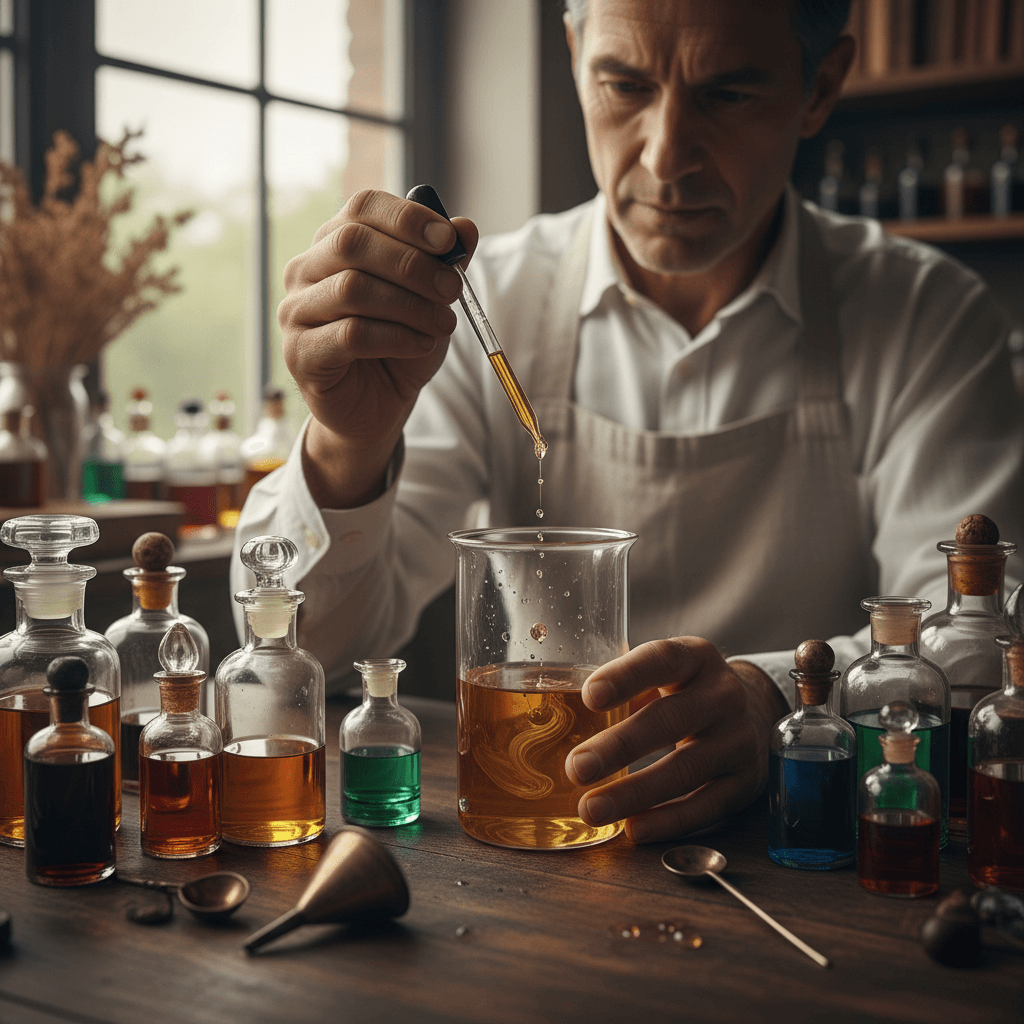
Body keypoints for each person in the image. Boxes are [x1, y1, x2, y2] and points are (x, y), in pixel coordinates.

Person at [235, 0, 1024, 843]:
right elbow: (300, 647)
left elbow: (986, 641)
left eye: (728, 94)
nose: (664, 156)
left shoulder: (927, 317)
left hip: (808, 840)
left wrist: (778, 699)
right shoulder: (480, 303)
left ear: (820, 86)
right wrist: (347, 444)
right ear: (576, 56)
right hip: (543, 830)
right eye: (624, 84)